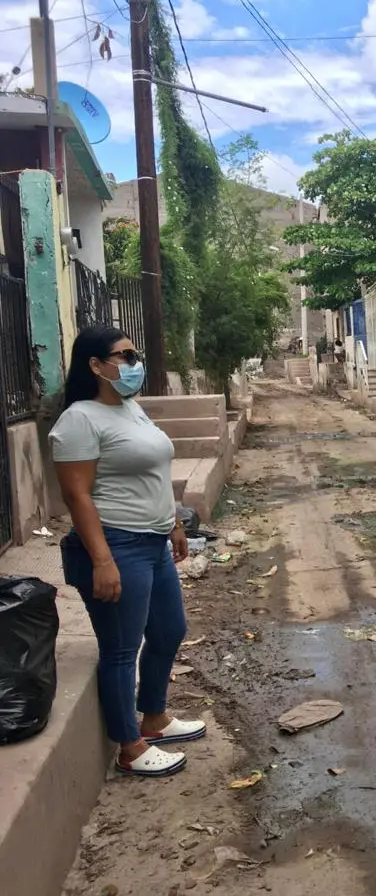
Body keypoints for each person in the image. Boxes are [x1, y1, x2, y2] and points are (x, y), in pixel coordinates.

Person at [50, 326, 204, 778]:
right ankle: (130, 747)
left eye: (135, 353)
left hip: (153, 543)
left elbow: (155, 471)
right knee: (120, 648)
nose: (134, 363)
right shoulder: (80, 420)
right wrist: (102, 560)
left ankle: (153, 717)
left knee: (170, 631)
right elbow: (76, 496)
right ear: (96, 366)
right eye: (123, 355)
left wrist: (174, 522)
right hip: (117, 545)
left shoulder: (131, 409)